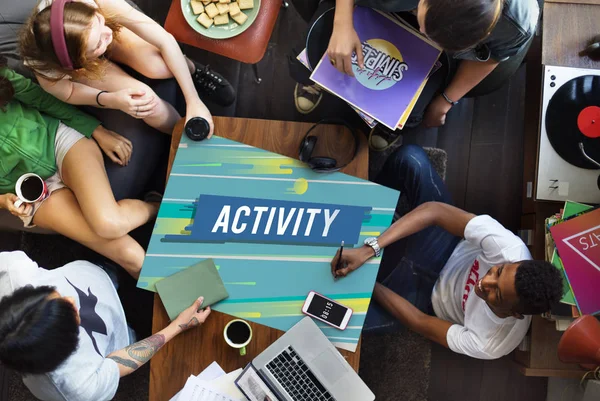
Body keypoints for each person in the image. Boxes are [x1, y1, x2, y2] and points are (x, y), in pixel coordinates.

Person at [330, 144, 563, 360]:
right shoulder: (509, 249)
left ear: (515, 314)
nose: (484, 282)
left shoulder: (490, 343)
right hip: (445, 244)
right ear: (514, 262)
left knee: (335, 319)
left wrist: (368, 283)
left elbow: (419, 322)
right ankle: (370, 205)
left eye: (497, 295)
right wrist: (371, 248)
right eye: (498, 271)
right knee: (410, 159)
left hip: (424, 298)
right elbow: (434, 212)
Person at [0, 55, 155, 278]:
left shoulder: (3, 78)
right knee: (133, 258)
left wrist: (98, 131)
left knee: (110, 224)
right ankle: (190, 303)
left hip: (57, 142)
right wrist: (4, 202)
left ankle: (157, 206)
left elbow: (44, 100)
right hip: (29, 193)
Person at [291, 0, 538, 132]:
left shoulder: (516, 22)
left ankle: (385, 124)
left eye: (430, 34)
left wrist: (445, 102)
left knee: (411, 117)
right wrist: (342, 23)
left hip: (431, 46)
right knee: (305, 63)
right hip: (368, 6)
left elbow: (494, 56)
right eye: (424, 24)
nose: (421, 31)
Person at [0, 250, 212, 401]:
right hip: (126, 322)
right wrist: (177, 325)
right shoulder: (77, 388)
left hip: (99, 268)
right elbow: (117, 363)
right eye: (71, 313)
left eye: (54, 294)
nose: (72, 300)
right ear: (68, 344)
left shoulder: (10, 274)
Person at [19, 0, 236, 136]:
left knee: (159, 66)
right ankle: (185, 134)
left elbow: (163, 40)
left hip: (87, 37)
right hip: (80, 58)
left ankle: (194, 70)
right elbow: (69, 92)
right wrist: (112, 100)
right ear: (77, 64)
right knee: (143, 100)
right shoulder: (46, 67)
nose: (109, 35)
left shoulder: (94, 5)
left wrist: (193, 100)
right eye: (99, 43)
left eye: (99, 23)